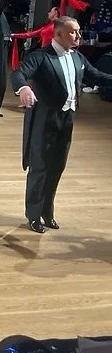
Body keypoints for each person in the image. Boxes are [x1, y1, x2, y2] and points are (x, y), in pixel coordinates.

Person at [12, 16, 112, 234]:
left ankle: (47, 211)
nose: (78, 35)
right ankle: (33, 214)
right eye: (73, 32)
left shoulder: (77, 57)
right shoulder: (40, 57)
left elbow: (95, 75)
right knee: (39, 167)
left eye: (78, 31)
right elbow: (19, 73)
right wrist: (24, 89)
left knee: (57, 166)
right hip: (44, 119)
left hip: (66, 120)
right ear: (58, 34)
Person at [10, 0, 89, 69]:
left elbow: (62, 4)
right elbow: (29, 34)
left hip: (53, 56)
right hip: (44, 55)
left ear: (55, 13)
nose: (48, 13)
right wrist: (14, 35)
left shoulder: (60, 24)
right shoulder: (46, 27)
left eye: (50, 11)